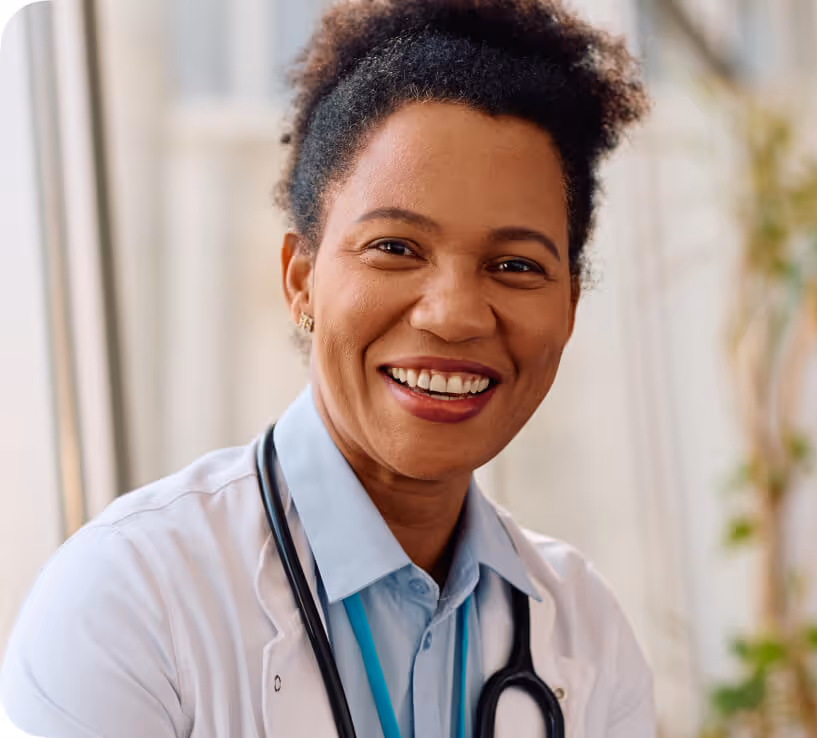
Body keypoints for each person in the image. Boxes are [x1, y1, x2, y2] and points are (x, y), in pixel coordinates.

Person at [0, 1, 652, 736]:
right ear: (301, 280)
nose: (455, 314)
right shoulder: (127, 603)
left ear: (569, 306)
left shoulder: (584, 632)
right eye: (396, 249)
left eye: (515, 264)